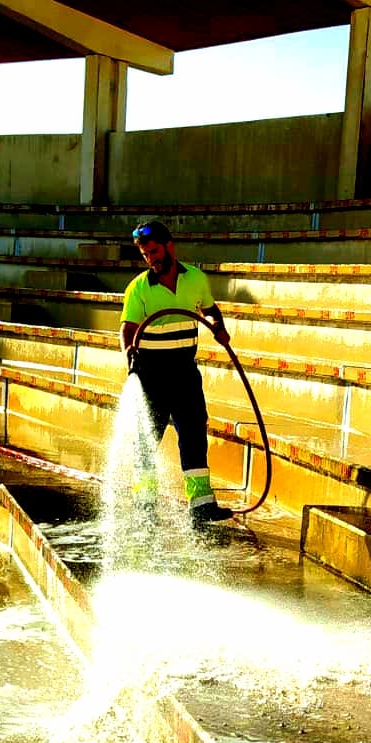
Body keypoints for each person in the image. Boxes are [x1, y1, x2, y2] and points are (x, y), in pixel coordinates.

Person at [119, 219, 233, 525]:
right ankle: (145, 506)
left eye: (154, 251)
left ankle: (201, 505)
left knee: (194, 436)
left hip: (184, 373)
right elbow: (127, 328)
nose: (151, 259)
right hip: (151, 376)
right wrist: (129, 353)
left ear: (170, 246)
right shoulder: (139, 288)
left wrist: (219, 328)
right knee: (146, 441)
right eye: (145, 255)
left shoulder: (195, 279)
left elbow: (209, 309)